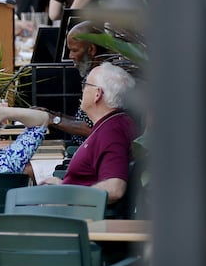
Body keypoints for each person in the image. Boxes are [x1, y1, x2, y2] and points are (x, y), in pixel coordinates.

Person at [44, 62, 138, 215]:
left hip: (79, 219)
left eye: (85, 84)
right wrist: (62, 186)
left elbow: (115, 188)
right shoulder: (113, 124)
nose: (82, 89)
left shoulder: (112, 131)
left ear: (97, 94)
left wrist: (64, 194)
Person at [40, 20, 111, 145]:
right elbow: (83, 120)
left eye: (74, 50)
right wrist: (52, 115)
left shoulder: (103, 79)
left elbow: (91, 128)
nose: (70, 56)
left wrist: (52, 119)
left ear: (91, 49)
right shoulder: (92, 73)